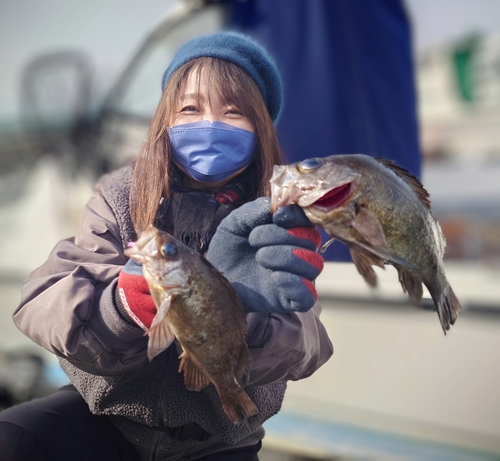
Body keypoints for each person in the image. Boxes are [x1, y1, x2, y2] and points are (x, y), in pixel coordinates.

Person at [0, 32, 333, 461]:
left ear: (261, 128)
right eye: (190, 108)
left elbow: (309, 346)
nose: (209, 124)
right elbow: (40, 305)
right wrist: (121, 307)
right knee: (14, 438)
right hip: (108, 419)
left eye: (233, 112)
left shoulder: (276, 216)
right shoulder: (121, 196)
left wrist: (245, 319)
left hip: (220, 437)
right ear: (165, 120)